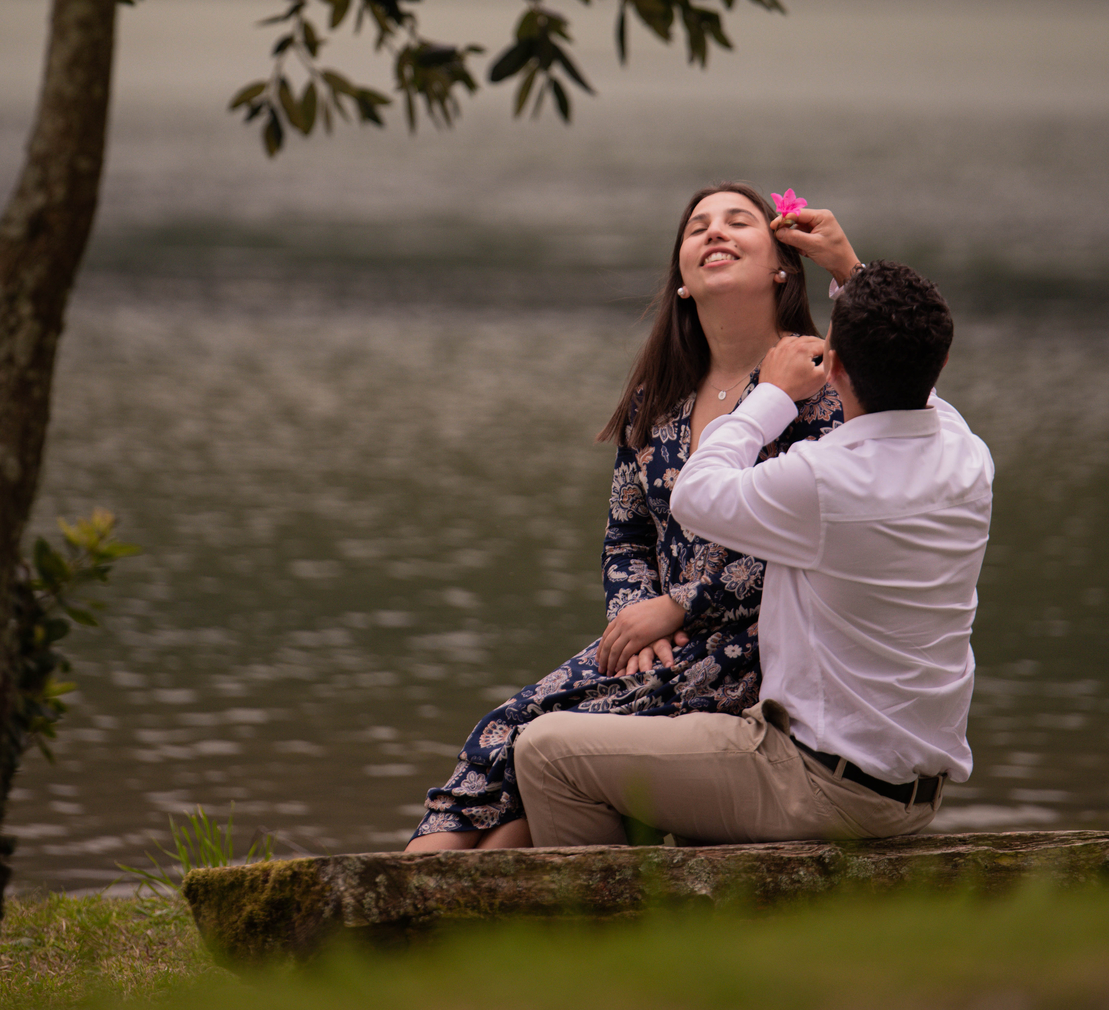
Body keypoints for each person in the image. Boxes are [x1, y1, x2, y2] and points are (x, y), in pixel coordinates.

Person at [406, 181, 861, 852]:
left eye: (739, 221)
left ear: (781, 267)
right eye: (697, 226)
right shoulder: (661, 395)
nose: (714, 232)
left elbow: (811, 541)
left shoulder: (819, 385)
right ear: (681, 280)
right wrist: (637, 615)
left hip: (753, 659)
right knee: (498, 739)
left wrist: (678, 606)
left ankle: (412, 926)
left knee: (536, 762)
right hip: (655, 645)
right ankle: (404, 907)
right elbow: (626, 533)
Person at [512, 260, 994, 847]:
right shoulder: (969, 458)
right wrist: (849, 269)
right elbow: (909, 361)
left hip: (817, 784)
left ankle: (615, 933)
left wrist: (768, 394)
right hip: (915, 791)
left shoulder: (823, 480)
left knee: (544, 751)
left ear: (833, 365)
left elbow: (695, 491)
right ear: (941, 363)